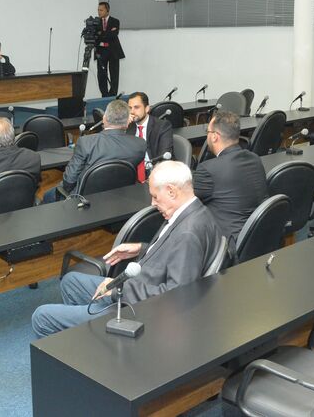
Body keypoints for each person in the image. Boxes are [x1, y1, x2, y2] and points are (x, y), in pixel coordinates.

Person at [32, 160, 224, 337]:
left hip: (138, 309)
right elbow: (174, 255)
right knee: (70, 282)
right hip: (139, 288)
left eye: (155, 196)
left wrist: (118, 290)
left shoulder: (187, 233)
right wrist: (140, 248)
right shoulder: (196, 212)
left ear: (171, 191)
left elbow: (176, 295)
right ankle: (90, 335)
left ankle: (98, 336)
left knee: (41, 316)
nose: (152, 203)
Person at [192, 111, 268, 248]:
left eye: (207, 132)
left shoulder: (208, 169)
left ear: (214, 137)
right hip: (259, 236)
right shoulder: (254, 159)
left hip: (229, 245)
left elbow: (186, 199)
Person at [46, 99, 145, 201]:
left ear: (104, 118)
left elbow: (69, 181)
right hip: (120, 197)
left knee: (47, 196)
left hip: (83, 199)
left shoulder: (86, 142)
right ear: (128, 122)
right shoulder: (140, 145)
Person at [126, 92, 173, 178]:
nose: (132, 111)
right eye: (130, 108)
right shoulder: (128, 127)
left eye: (136, 107)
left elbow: (163, 157)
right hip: (134, 174)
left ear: (147, 108)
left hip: (157, 172)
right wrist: (122, 126)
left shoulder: (162, 126)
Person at [95, 1, 124, 97]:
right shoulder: (96, 22)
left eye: (101, 10)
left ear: (107, 11)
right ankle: (104, 96)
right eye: (98, 10)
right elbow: (96, 36)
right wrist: (107, 32)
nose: (99, 12)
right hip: (101, 51)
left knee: (114, 74)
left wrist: (101, 34)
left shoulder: (115, 21)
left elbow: (114, 34)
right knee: (101, 75)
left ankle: (112, 96)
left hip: (113, 51)